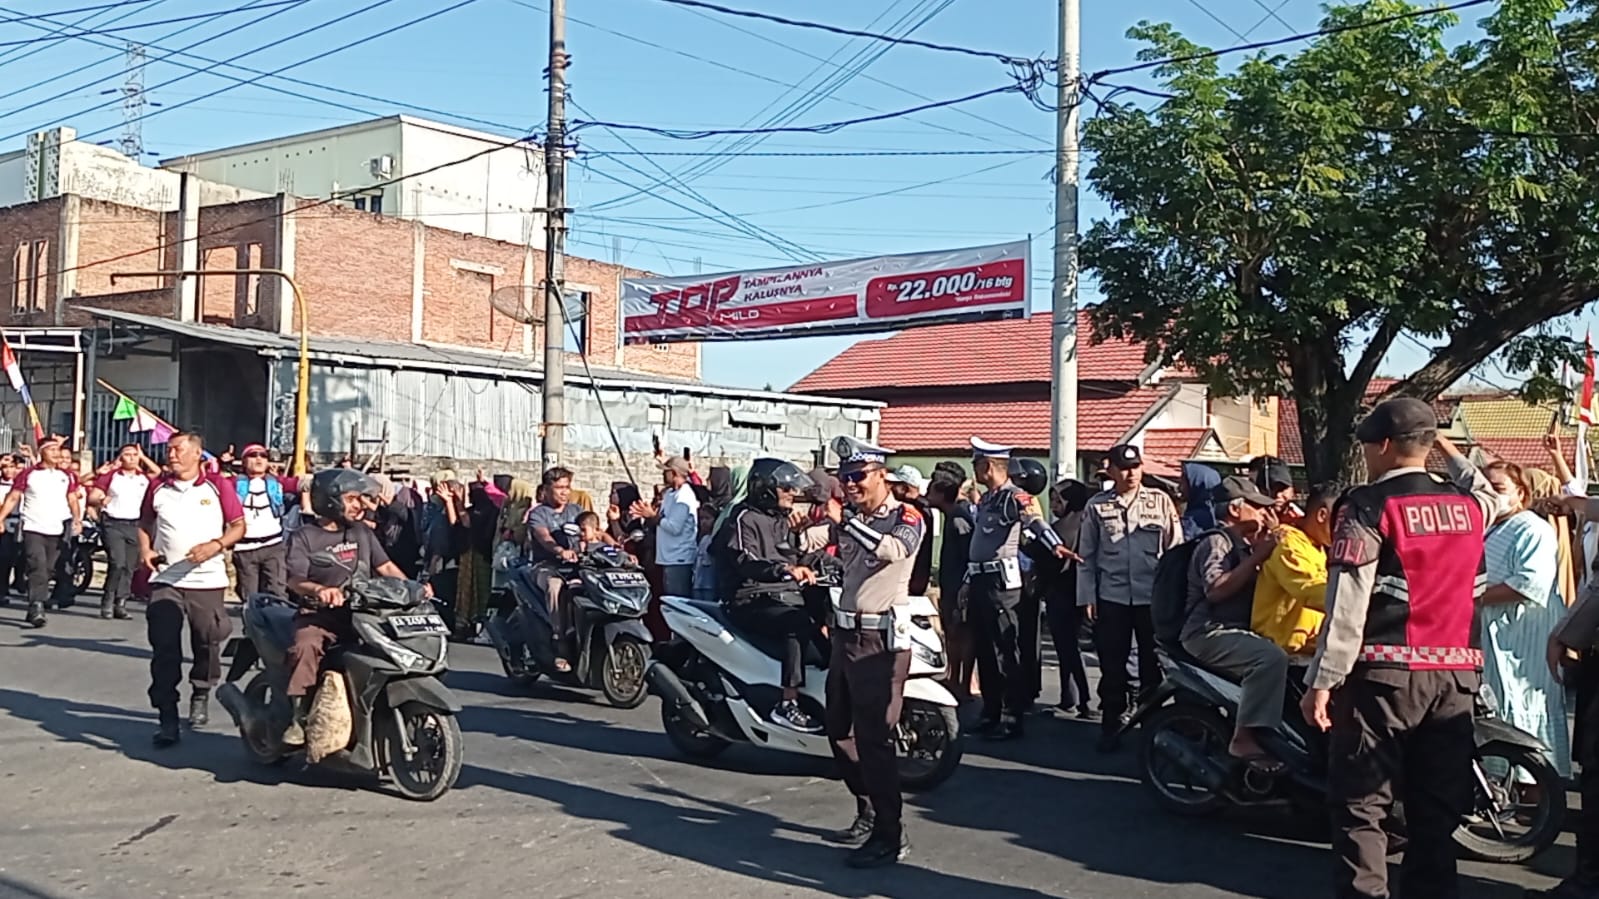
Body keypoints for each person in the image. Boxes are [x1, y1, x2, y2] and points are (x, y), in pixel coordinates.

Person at [1299, 403, 1496, 899]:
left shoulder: (1366, 506)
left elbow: (1347, 605)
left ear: (1383, 445)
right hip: (1456, 680)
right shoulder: (1470, 507)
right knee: (1436, 808)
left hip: (1385, 678)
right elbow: (1492, 491)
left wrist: (1323, 680)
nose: (1366, 456)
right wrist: (1445, 449)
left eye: (1367, 446)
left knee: (1362, 804)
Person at [824, 436, 926, 868]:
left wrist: (846, 523)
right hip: (845, 636)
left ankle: (890, 833)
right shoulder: (855, 519)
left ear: (881, 475)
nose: (850, 484)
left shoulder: (906, 516)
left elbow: (892, 550)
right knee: (838, 730)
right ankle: (868, 808)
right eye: (844, 477)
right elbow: (836, 554)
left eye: (858, 476)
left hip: (880, 643)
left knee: (875, 739)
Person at [284, 469, 418, 728]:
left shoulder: (361, 532)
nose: (360, 505)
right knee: (306, 646)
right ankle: (299, 717)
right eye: (352, 499)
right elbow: (294, 580)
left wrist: (412, 589)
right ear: (330, 500)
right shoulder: (305, 536)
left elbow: (386, 567)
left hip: (363, 613)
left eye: (361, 498)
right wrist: (319, 590)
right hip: (320, 615)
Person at [139, 431, 246, 746]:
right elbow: (144, 523)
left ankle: (201, 689)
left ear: (197, 454)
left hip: (206, 580)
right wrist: (145, 550)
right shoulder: (158, 486)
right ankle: (167, 716)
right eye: (169, 449)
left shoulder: (218, 485)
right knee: (164, 646)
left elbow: (238, 526)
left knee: (207, 639)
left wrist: (216, 545)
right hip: (166, 579)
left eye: (178, 449)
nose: (171, 455)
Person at [711, 458, 832, 733]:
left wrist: (839, 565)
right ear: (766, 489)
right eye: (786, 489)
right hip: (749, 599)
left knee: (827, 630)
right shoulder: (742, 518)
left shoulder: (780, 520)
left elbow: (795, 555)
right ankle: (787, 704)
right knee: (796, 622)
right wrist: (784, 569)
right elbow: (746, 559)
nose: (792, 493)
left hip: (781, 596)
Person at [1181, 476, 1291, 772]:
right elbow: (1216, 590)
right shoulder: (1217, 542)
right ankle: (1243, 738)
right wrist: (1258, 556)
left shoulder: (1246, 544)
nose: (1264, 513)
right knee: (1270, 659)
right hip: (1208, 631)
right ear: (1234, 509)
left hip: (1237, 628)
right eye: (1257, 506)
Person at [1077, 443, 1183, 752]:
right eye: (1123, 468)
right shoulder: (1097, 506)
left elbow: (1175, 551)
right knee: (1113, 665)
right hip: (1112, 597)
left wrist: (1174, 597)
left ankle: (1151, 729)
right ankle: (1111, 725)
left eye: (1135, 467)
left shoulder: (1160, 501)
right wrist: (1087, 596)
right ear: (1110, 470)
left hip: (1151, 598)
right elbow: (1086, 556)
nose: (1131, 473)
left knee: (1152, 666)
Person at [965, 438, 1071, 741]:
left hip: (1001, 583)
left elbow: (1034, 521)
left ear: (987, 466)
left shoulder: (1015, 496)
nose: (974, 470)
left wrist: (1055, 545)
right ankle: (991, 711)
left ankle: (1011, 715)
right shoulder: (987, 499)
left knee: (1005, 650)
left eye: (976, 464)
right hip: (979, 578)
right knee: (984, 649)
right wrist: (966, 582)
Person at [1478, 461, 1570, 779]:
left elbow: (1529, 584)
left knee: (1525, 708)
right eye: (1484, 488)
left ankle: (1535, 790)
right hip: (1493, 635)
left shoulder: (1533, 529)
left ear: (1520, 493)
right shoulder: (1488, 528)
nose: (1491, 495)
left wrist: (1471, 596)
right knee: (1496, 708)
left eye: (1498, 488)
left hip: (1523, 639)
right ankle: (1501, 787)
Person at [0, 438, 83, 628]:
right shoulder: (29, 474)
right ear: (41, 452)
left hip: (57, 529)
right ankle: (36, 605)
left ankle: (36, 599)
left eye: (57, 449)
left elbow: (72, 499)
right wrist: (1, 518)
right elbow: (13, 497)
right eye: (51, 449)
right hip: (33, 527)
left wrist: (77, 519)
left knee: (48, 569)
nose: (56, 453)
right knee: (37, 564)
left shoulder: (66, 476)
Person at [1252, 482, 1339, 655]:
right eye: (1341, 521)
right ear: (1322, 515)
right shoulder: (1288, 544)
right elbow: (1308, 588)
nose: (1344, 530)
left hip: (1310, 647)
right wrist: (1354, 601)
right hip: (1280, 651)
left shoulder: (1318, 546)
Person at [1040, 479, 1095, 718]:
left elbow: (1041, 557)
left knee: (1067, 649)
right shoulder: (1089, 522)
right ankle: (1070, 698)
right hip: (1086, 594)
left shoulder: (1060, 529)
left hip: (1062, 595)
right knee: (1070, 649)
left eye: (1058, 501)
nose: (1054, 506)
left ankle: (1082, 699)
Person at [91, 443, 159, 620]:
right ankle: (108, 599)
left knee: (130, 566)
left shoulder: (143, 478)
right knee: (117, 562)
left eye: (135, 455)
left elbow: (158, 473)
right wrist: (100, 500)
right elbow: (93, 497)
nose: (132, 458)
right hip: (113, 523)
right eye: (127, 455)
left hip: (135, 525)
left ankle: (120, 602)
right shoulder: (111, 476)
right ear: (120, 458)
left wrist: (143, 457)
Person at [526, 466, 582, 673]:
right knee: (555, 587)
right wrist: (559, 550)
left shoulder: (576, 511)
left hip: (577, 566)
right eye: (559, 488)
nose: (564, 492)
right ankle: (559, 641)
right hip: (546, 566)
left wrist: (616, 548)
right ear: (547, 489)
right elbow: (544, 537)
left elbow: (594, 532)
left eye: (567, 487)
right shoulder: (538, 514)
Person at [926, 472, 977, 700]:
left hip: (959, 587)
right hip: (950, 584)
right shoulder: (951, 516)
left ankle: (963, 683)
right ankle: (953, 676)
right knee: (952, 633)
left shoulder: (958, 519)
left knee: (961, 634)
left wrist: (965, 585)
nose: (928, 495)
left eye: (932, 491)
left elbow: (969, 554)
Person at [227, 443, 300, 600]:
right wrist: (219, 464)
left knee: (277, 592)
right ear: (244, 461)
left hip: (273, 546)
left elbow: (300, 484)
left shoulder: (277, 482)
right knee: (250, 596)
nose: (259, 459)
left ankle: (277, 616)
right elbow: (214, 483)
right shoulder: (233, 483)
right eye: (253, 455)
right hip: (244, 548)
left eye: (263, 456)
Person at [634, 456, 700, 598]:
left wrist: (652, 516)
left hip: (679, 559)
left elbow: (674, 528)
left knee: (677, 602)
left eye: (666, 471)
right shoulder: (670, 494)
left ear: (674, 473)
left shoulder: (684, 496)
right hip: (667, 558)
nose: (663, 474)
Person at [887, 465, 934, 596]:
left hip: (911, 578)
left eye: (895, 485)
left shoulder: (916, 509)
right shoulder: (922, 507)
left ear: (905, 488)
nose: (890, 488)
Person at [0, 454, 23, 604]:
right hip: (3, 521)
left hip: (16, 522)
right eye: (5, 467)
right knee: (3, 557)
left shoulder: (20, 484)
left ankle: (13, 584)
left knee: (13, 557)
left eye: (12, 467)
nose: (8, 470)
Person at [1179, 462, 1222, 540]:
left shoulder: (1192, 520)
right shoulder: (1218, 515)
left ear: (1196, 483)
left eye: (1184, 481)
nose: (1180, 487)